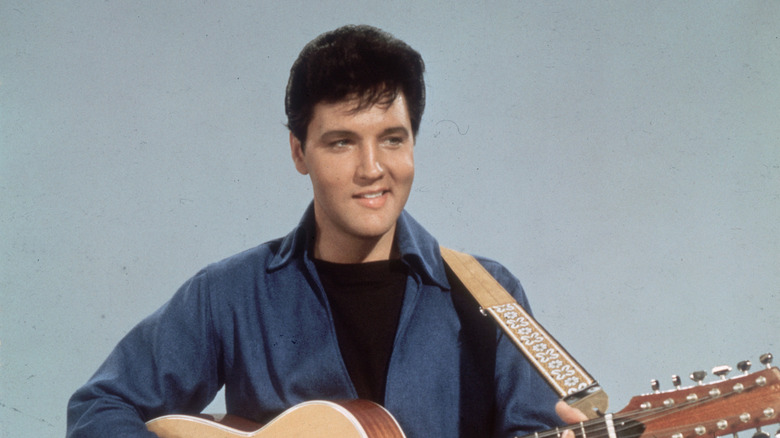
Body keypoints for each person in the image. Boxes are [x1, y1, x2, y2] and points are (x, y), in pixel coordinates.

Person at [67, 24, 585, 437]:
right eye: (342, 142)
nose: (372, 168)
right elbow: (98, 407)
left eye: (392, 139)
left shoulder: (489, 295)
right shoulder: (229, 295)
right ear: (299, 152)